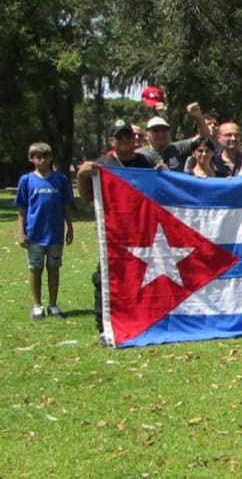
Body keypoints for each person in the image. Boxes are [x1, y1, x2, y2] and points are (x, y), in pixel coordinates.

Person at [78, 119, 158, 334]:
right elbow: (87, 198)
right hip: (113, 232)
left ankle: (143, 317)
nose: (125, 140)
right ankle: (104, 324)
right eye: (120, 136)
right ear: (111, 140)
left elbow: (158, 193)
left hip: (143, 231)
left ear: (135, 139)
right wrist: (82, 176)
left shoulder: (145, 163)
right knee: (106, 275)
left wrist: (162, 174)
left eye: (128, 136)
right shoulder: (102, 164)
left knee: (142, 274)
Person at [15, 142, 74, 320]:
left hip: (55, 233)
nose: (42, 160)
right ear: (31, 158)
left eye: (46, 156)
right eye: (38, 157)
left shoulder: (60, 180)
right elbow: (22, 209)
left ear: (51, 158)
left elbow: (65, 205)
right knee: (35, 268)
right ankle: (37, 305)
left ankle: (53, 304)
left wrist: (70, 226)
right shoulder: (26, 180)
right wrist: (21, 231)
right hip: (34, 234)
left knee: (54, 268)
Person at [137, 101, 213, 171]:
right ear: (146, 135)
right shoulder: (139, 155)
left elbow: (204, 138)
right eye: (155, 131)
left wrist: (199, 117)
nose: (161, 134)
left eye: (164, 130)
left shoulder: (178, 149)